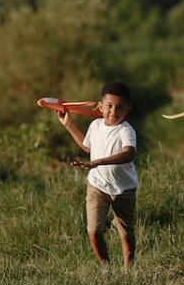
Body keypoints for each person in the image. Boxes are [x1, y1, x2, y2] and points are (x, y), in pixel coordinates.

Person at [57, 81, 139, 270]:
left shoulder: (126, 130)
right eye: (109, 106)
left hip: (124, 189)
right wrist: (68, 124)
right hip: (98, 187)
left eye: (119, 107)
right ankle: (106, 268)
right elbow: (88, 146)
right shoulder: (95, 125)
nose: (113, 111)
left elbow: (129, 153)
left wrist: (98, 162)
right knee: (93, 231)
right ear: (100, 107)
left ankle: (129, 271)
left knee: (126, 234)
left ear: (128, 109)